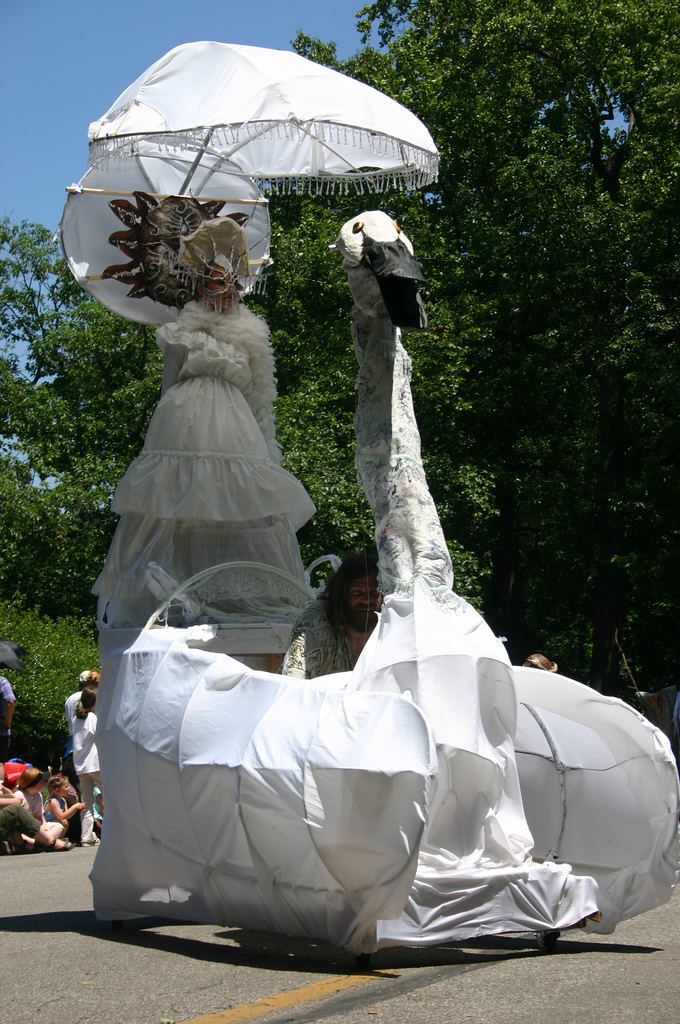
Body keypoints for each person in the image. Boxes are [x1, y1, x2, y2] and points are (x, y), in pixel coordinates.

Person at [93, 206, 315, 629]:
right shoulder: (181, 332)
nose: (226, 287)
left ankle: (241, 605)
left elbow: (260, 396)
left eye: (232, 279)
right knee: (177, 501)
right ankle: (171, 602)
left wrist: (265, 446)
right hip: (186, 422)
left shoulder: (251, 333)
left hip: (237, 430)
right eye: (217, 278)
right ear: (200, 283)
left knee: (241, 503)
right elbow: (169, 384)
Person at [280, 552, 382, 678]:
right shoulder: (313, 626)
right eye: (357, 592)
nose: (367, 600)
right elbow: (292, 686)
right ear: (342, 594)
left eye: (374, 592)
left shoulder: (391, 625)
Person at [15, 767, 74, 851]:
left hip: (36, 827)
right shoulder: (19, 795)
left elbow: (40, 816)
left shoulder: (38, 795)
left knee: (59, 826)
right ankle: (46, 842)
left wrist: (44, 826)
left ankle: (42, 842)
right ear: (32, 785)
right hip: (25, 829)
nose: (43, 783)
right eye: (40, 782)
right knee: (23, 836)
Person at [72, 687, 102, 846]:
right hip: (94, 763)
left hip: (81, 765)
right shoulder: (93, 718)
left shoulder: (75, 719)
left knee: (87, 802)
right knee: (110, 797)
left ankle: (86, 836)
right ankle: (114, 831)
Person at [0, 673, 16, 763]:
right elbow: (10, 702)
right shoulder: (2, 682)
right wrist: (8, 722)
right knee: (0, 764)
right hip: (1, 732)